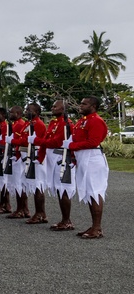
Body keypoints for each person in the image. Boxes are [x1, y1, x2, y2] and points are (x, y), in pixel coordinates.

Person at [64, 96, 108, 239]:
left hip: (92, 158)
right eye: (81, 103)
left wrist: (71, 146)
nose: (80, 106)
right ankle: (94, 226)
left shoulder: (96, 121)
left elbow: (93, 142)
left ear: (93, 106)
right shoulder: (83, 121)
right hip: (83, 158)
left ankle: (97, 228)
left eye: (84, 104)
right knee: (90, 192)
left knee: (95, 192)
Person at [38, 99, 76, 231]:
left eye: (55, 106)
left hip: (61, 158)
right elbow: (49, 139)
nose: (52, 108)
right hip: (52, 158)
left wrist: (40, 141)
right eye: (52, 106)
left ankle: (67, 220)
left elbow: (56, 141)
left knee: (63, 188)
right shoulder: (54, 123)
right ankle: (64, 219)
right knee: (59, 189)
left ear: (63, 109)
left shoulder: (67, 124)